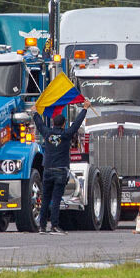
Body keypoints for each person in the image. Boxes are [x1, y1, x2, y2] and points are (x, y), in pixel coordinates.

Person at [33, 100, 91, 235]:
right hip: (60, 170)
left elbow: (39, 124)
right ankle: (54, 226)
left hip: (47, 170)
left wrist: (35, 112)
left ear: (53, 123)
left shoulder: (47, 133)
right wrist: (84, 109)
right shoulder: (66, 135)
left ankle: (42, 227)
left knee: (45, 199)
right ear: (64, 124)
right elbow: (76, 124)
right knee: (56, 199)